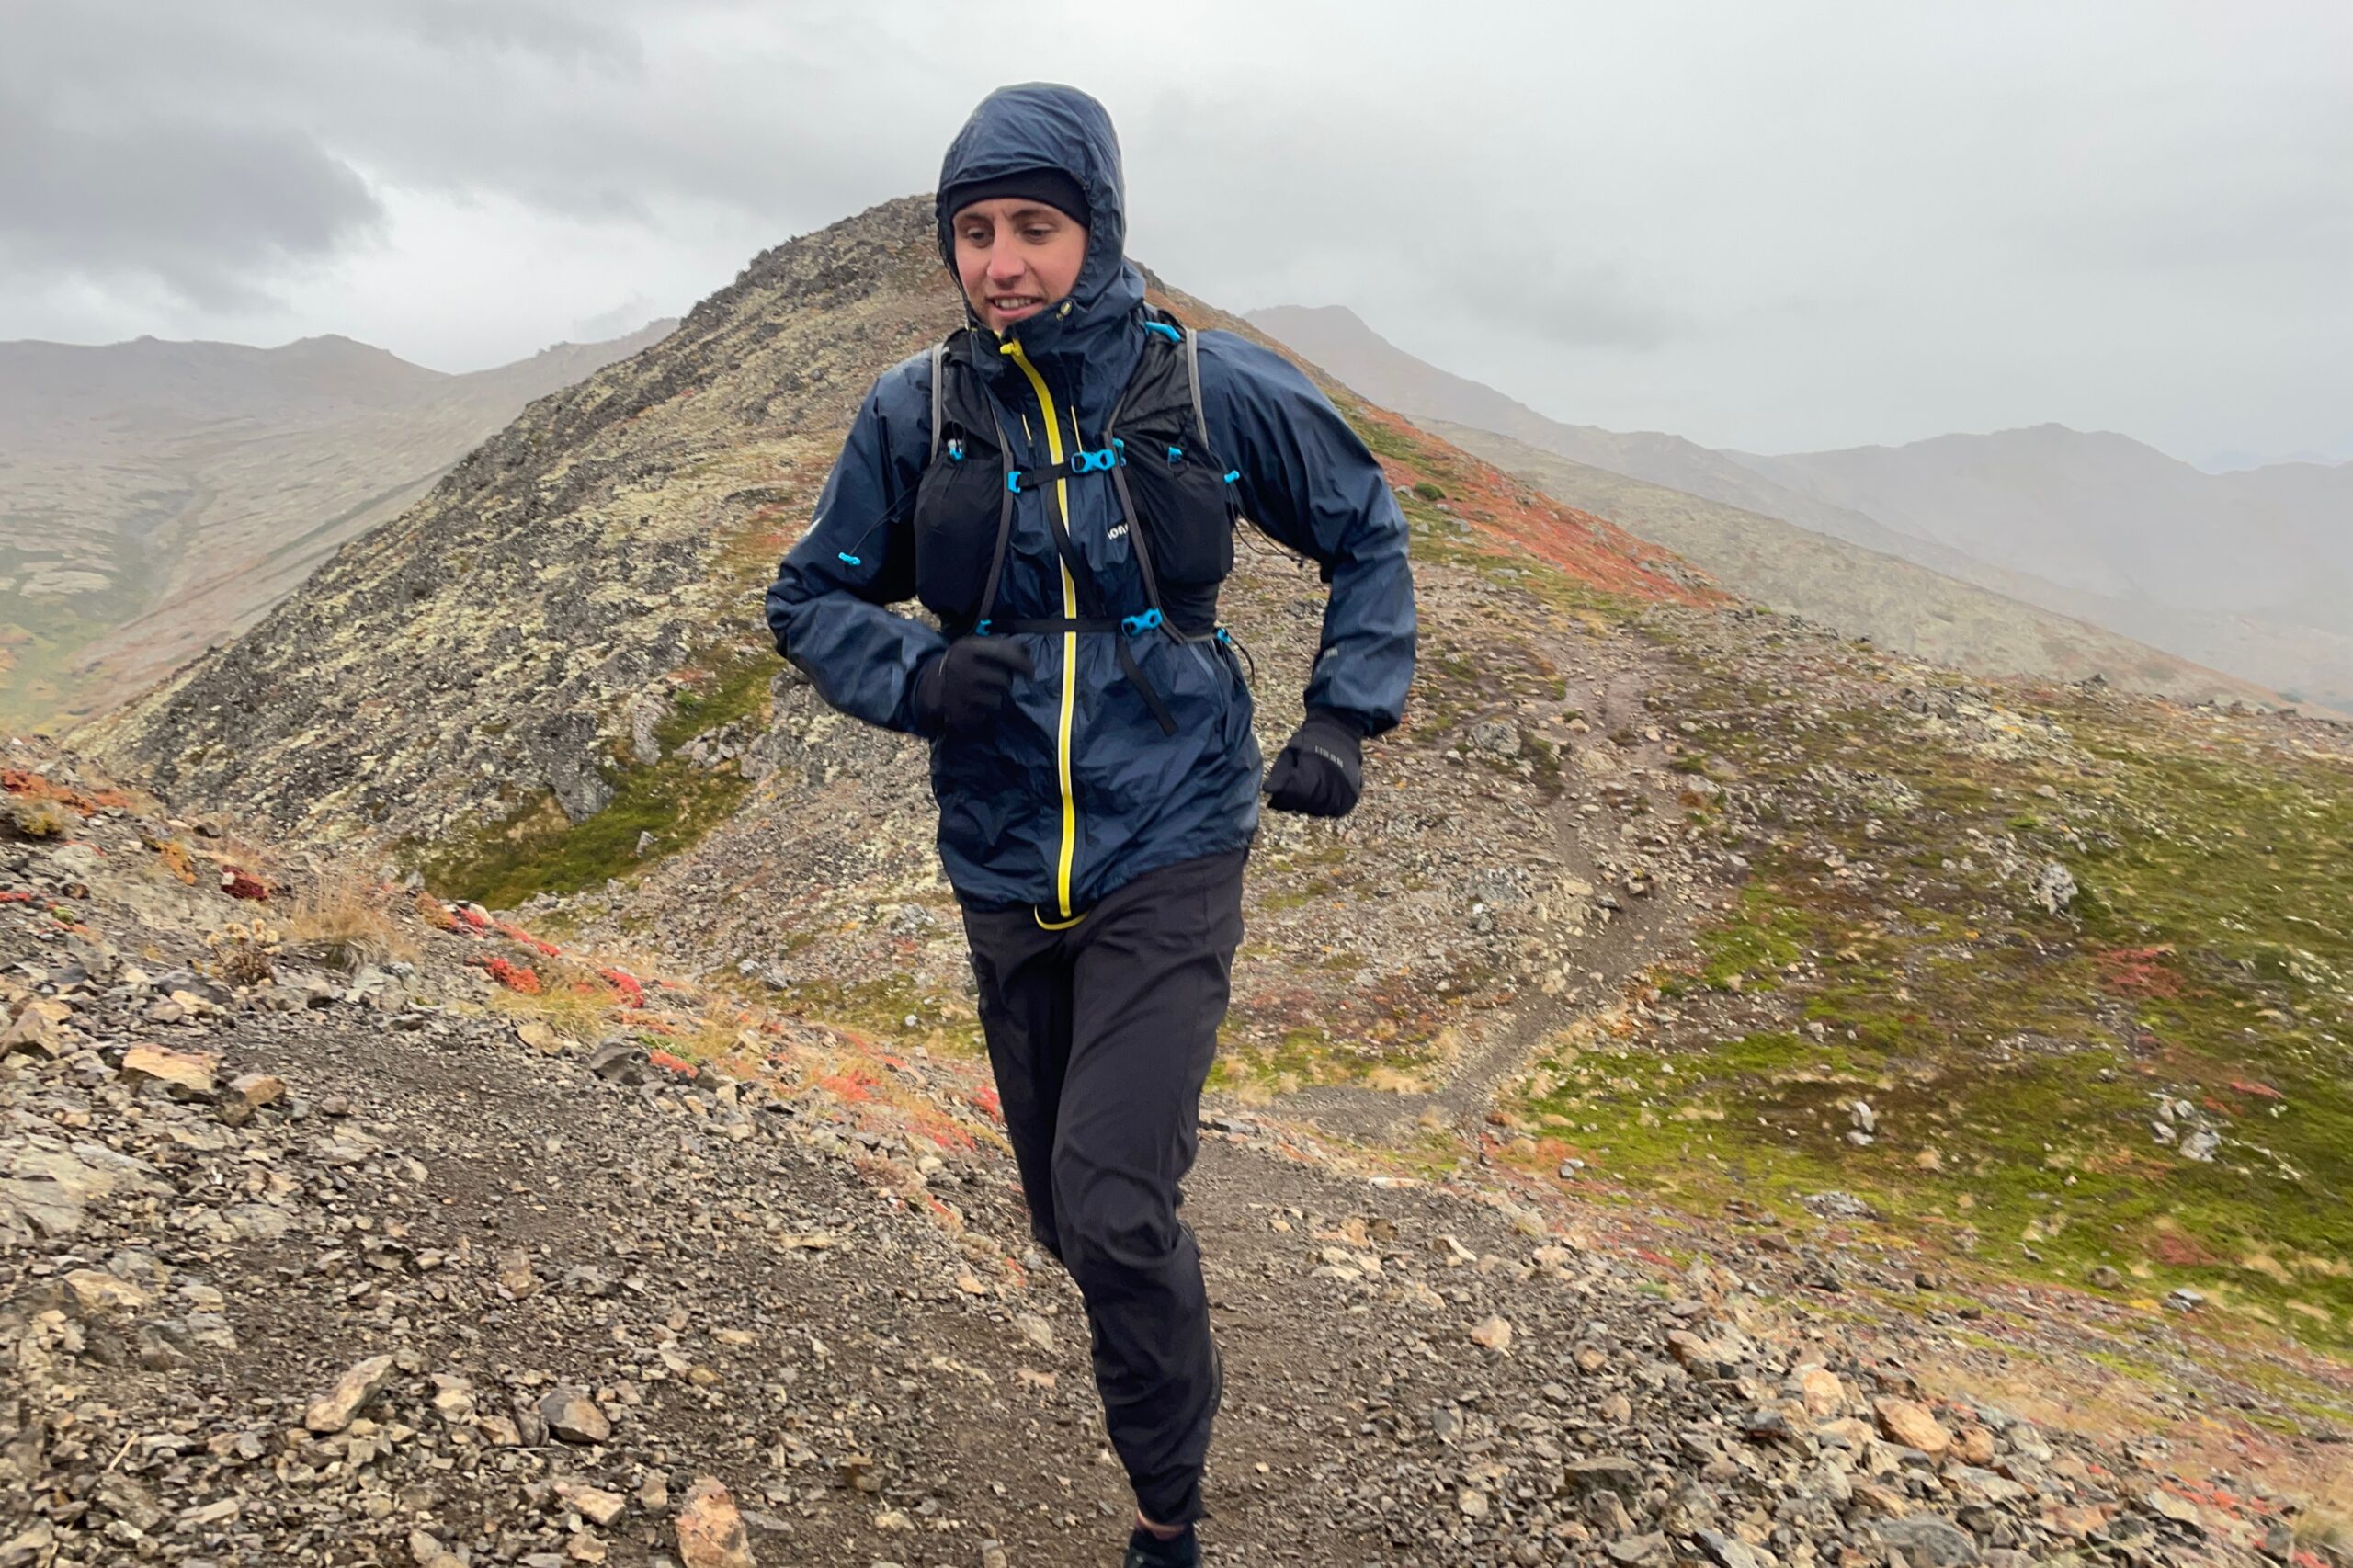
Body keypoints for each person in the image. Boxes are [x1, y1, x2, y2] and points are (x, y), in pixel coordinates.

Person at [765, 82, 1415, 1567]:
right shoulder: (914, 413)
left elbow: (1367, 528)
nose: (1002, 261)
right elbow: (808, 597)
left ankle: (1164, 1515)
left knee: (1117, 1215)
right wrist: (918, 673)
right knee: (1068, 1218)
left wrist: (1340, 717)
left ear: (1097, 230)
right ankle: (1147, 1310)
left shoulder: (1205, 389)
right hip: (1002, 855)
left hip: (1172, 836)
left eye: (1035, 229)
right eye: (976, 232)